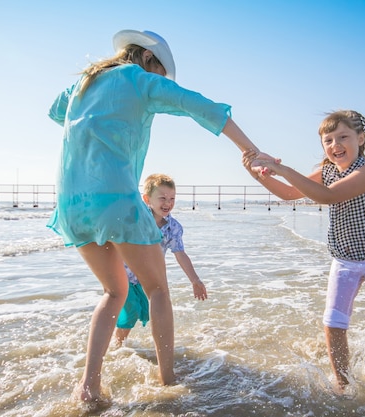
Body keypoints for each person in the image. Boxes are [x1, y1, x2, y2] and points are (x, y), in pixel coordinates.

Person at [47, 29, 275, 406]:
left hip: (71, 204)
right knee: (157, 290)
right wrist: (252, 151)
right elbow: (198, 105)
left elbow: (56, 112)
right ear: (150, 61)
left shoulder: (83, 85)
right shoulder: (139, 80)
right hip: (115, 200)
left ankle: (88, 385)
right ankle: (167, 379)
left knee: (115, 291)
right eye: (159, 73)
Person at [244, 110, 365, 391]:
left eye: (343, 137)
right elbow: (289, 193)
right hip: (344, 259)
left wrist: (283, 168)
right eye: (328, 140)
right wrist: (258, 174)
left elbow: (329, 196)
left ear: (360, 139)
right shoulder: (327, 170)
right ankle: (343, 385)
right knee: (334, 325)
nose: (335, 145)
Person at [114, 173, 207, 347]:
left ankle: (124, 346)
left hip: (146, 279)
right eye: (162, 198)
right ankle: (117, 346)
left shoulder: (173, 228)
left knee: (146, 311)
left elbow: (180, 254)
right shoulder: (136, 219)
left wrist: (195, 280)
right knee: (130, 311)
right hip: (122, 275)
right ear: (147, 199)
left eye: (172, 198)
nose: (168, 203)